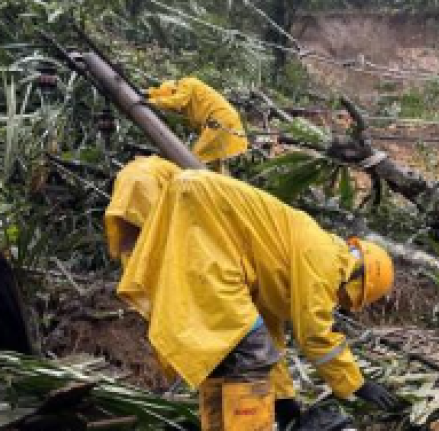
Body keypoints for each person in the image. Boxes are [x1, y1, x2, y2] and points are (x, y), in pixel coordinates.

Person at [104, 157, 403, 429]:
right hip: (202, 216)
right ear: (357, 277)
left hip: (200, 218)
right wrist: (356, 384)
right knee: (248, 347)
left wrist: (283, 397)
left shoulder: (285, 262)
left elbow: (269, 328)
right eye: (344, 298)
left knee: (225, 351)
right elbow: (314, 331)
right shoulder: (326, 256)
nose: (336, 302)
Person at [147, 77, 248, 166]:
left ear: (173, 91)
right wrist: (149, 94)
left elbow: (177, 102)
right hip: (224, 118)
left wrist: (152, 102)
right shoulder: (188, 98)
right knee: (217, 158)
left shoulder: (187, 83)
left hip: (219, 118)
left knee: (193, 158)